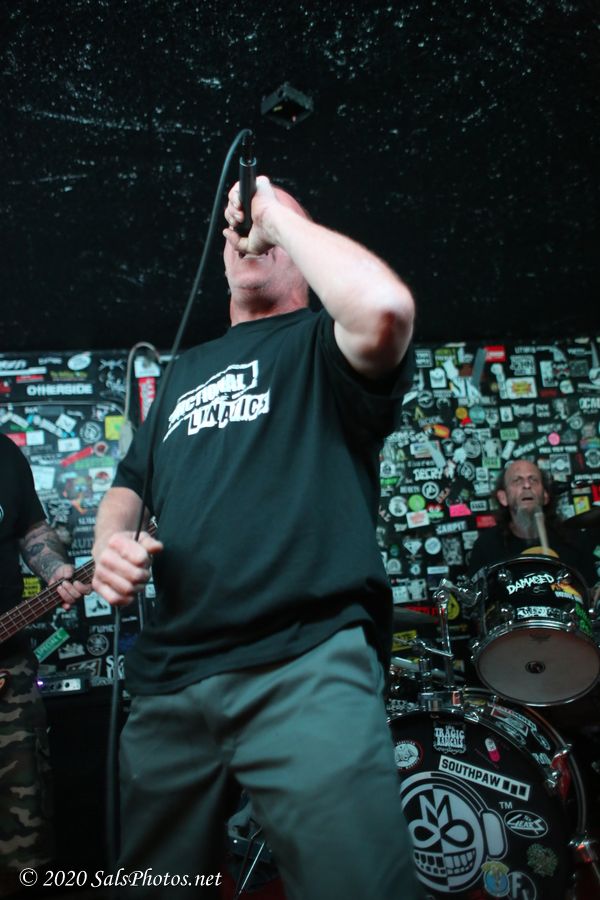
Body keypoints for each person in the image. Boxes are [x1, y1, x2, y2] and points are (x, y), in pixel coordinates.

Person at [91, 176, 422, 897]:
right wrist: (106, 545)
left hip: (303, 662)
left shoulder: (322, 344)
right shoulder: (182, 374)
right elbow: (128, 487)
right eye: (234, 229)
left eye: (266, 226)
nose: (245, 232)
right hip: (169, 680)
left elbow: (385, 308)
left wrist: (275, 213)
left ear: (302, 247)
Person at [0, 432, 91, 898]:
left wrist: (55, 569)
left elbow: (32, 530)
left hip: (8, 666)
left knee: (24, 819)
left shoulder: (4, 452)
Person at [468, 458, 598, 589]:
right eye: (517, 480)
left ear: (545, 495)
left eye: (533, 480)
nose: (526, 485)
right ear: (503, 497)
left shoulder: (574, 541)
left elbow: (590, 593)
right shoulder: (486, 546)